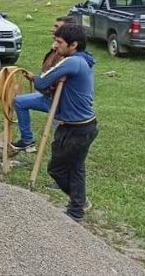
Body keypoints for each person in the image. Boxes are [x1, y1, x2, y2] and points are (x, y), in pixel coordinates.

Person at [33, 23, 97, 222]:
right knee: (76, 167)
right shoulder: (83, 60)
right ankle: (76, 210)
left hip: (74, 128)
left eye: (59, 42)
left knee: (57, 169)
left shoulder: (72, 62)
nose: (55, 45)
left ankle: (79, 202)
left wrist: (39, 78)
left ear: (73, 44)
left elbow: (41, 83)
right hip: (87, 126)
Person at [11, 16, 76, 152]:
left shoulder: (66, 55)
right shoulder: (56, 49)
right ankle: (27, 141)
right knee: (20, 102)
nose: (53, 29)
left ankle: (63, 157)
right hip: (48, 97)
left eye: (57, 27)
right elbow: (48, 74)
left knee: (61, 140)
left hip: (60, 102)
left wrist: (36, 79)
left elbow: (52, 79)